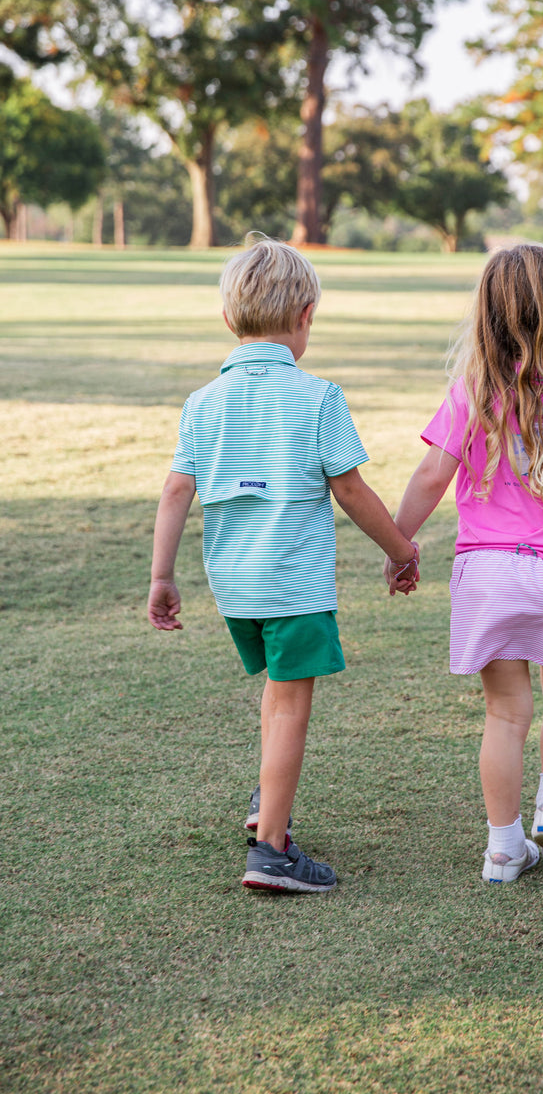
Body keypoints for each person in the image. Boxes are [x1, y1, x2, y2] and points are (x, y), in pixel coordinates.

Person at [148, 236, 419, 894]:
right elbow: (351, 490)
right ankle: (272, 851)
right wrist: (402, 550)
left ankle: (267, 800)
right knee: (293, 705)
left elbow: (175, 490)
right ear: (306, 315)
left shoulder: (201, 402)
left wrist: (162, 576)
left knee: (276, 693)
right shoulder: (317, 395)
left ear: (227, 321)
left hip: (234, 585)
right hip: (292, 580)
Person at [384, 242, 543, 884]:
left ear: (489, 316)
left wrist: (401, 547)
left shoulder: (471, 394)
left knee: (504, 713)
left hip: (486, 575)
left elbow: (429, 475)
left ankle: (503, 847)